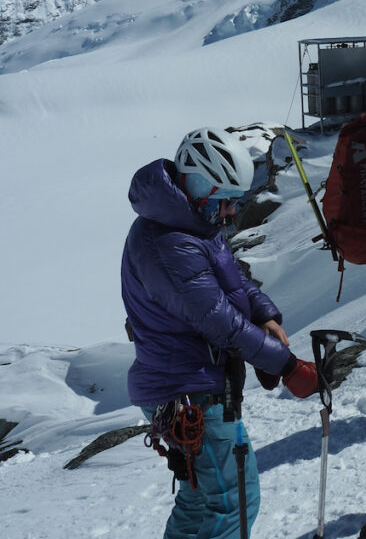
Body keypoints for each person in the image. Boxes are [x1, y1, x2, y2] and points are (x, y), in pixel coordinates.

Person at [121, 126, 319, 539]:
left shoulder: (191, 227)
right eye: (225, 201)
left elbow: (232, 282)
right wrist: (284, 364)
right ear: (199, 185)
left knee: (199, 501)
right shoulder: (170, 242)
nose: (230, 212)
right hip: (189, 391)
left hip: (186, 386)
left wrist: (264, 311)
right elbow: (219, 320)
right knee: (234, 502)